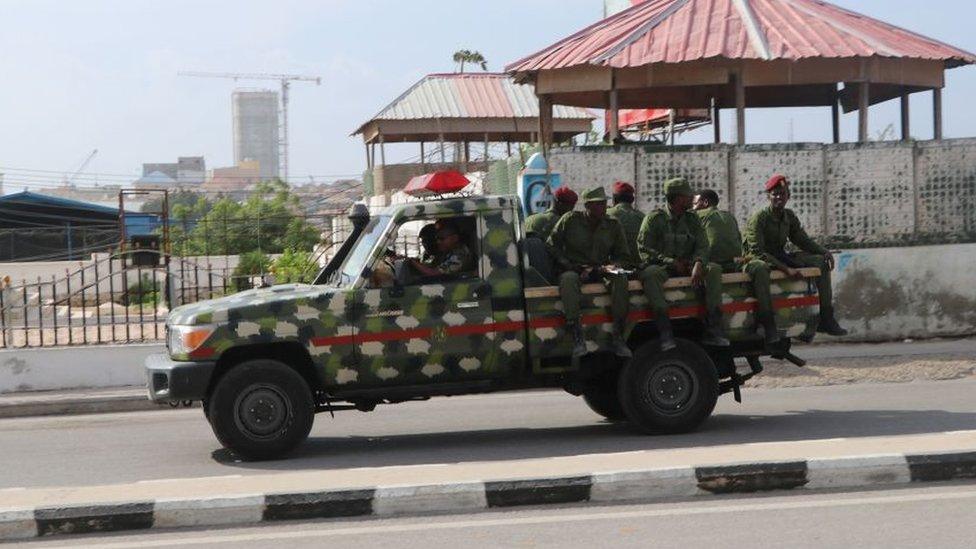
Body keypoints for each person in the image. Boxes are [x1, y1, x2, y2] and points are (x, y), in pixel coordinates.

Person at [744, 174, 847, 336]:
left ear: (788, 196)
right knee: (762, 265)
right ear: (768, 196)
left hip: (779, 256)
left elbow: (801, 239)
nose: (778, 197)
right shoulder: (759, 218)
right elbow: (756, 252)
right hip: (760, 260)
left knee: (820, 262)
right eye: (775, 193)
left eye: (782, 193)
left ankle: (826, 318)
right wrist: (786, 269)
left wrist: (824, 252)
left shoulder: (789, 216)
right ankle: (765, 321)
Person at [638, 178, 729, 351]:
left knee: (714, 270)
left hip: (688, 266)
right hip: (664, 267)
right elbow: (644, 249)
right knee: (650, 274)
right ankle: (665, 332)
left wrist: (698, 263)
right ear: (678, 198)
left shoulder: (692, 219)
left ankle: (713, 328)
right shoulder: (654, 219)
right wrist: (670, 262)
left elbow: (703, 245)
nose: (692, 198)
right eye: (688, 195)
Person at [547, 187, 632, 358]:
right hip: (576, 269)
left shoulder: (612, 224)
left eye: (604, 203)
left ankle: (619, 335)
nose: (603, 207)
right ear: (587, 206)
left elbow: (623, 255)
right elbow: (551, 245)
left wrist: (611, 266)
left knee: (620, 278)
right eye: (598, 204)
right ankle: (578, 336)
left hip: (601, 268)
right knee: (568, 280)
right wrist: (568, 264)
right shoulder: (570, 220)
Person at [694, 189, 780, 346]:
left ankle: (714, 328)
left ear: (705, 203)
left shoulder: (697, 216)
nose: (693, 207)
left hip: (715, 264)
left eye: (695, 203)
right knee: (760, 267)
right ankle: (769, 326)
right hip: (735, 262)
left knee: (713, 270)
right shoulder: (729, 217)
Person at [408, 221, 475, 279]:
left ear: (455, 238)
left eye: (442, 238)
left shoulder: (461, 254)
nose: (438, 242)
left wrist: (412, 262)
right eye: (437, 238)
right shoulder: (449, 252)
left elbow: (434, 273)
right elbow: (434, 266)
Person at [607, 181, 643, 265]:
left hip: (615, 265)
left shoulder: (607, 215)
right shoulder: (642, 217)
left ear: (614, 199)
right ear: (632, 199)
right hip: (638, 264)